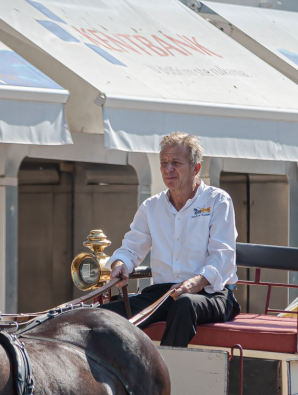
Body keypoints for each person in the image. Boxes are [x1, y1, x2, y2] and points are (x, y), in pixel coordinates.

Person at [102, 132, 240, 347]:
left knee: (184, 304)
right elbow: (131, 248)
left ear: (196, 168)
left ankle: (166, 376)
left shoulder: (217, 200)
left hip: (212, 294)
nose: (168, 169)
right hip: (164, 294)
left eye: (176, 162)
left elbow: (223, 256)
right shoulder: (151, 206)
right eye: (164, 163)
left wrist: (196, 282)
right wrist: (121, 265)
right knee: (101, 316)